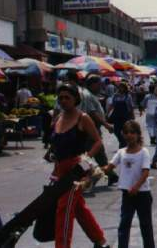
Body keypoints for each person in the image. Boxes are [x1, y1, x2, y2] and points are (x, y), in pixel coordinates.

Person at [49, 84, 110, 248]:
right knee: (77, 208)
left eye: (67, 97)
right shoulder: (58, 118)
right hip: (59, 169)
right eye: (60, 98)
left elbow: (98, 142)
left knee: (64, 208)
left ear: (76, 99)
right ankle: (100, 240)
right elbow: (55, 144)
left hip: (76, 172)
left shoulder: (83, 118)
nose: (63, 101)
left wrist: (86, 159)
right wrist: (51, 153)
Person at [102, 120, 155, 248]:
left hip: (142, 194)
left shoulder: (144, 152)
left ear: (137, 134)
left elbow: (145, 172)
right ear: (123, 134)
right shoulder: (122, 152)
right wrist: (95, 170)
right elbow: (109, 167)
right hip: (127, 194)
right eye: (126, 132)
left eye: (132, 132)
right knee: (124, 224)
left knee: (145, 225)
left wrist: (136, 187)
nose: (129, 135)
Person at [107, 82, 135, 148]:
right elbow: (112, 105)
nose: (120, 88)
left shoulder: (128, 96)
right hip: (117, 116)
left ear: (125, 88)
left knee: (125, 131)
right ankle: (122, 142)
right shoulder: (115, 95)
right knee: (116, 131)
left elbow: (131, 107)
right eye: (120, 87)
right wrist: (107, 113)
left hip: (125, 116)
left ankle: (123, 144)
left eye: (122, 87)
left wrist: (132, 115)